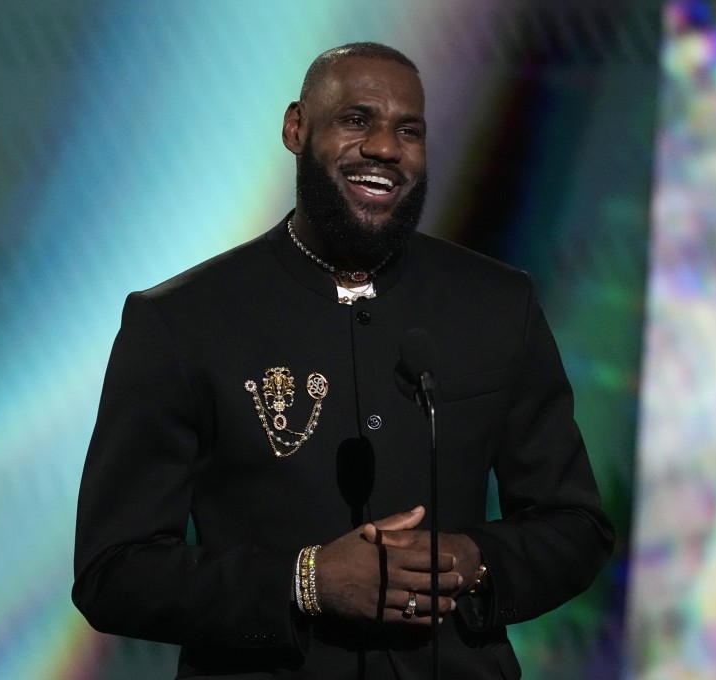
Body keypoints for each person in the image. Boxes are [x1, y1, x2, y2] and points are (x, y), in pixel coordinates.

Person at [72, 42, 614, 679]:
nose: (385, 147)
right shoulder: (180, 322)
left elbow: (576, 527)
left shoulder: (497, 305)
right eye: (356, 120)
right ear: (296, 128)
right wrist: (306, 582)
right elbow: (114, 572)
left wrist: (473, 561)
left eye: (408, 130)